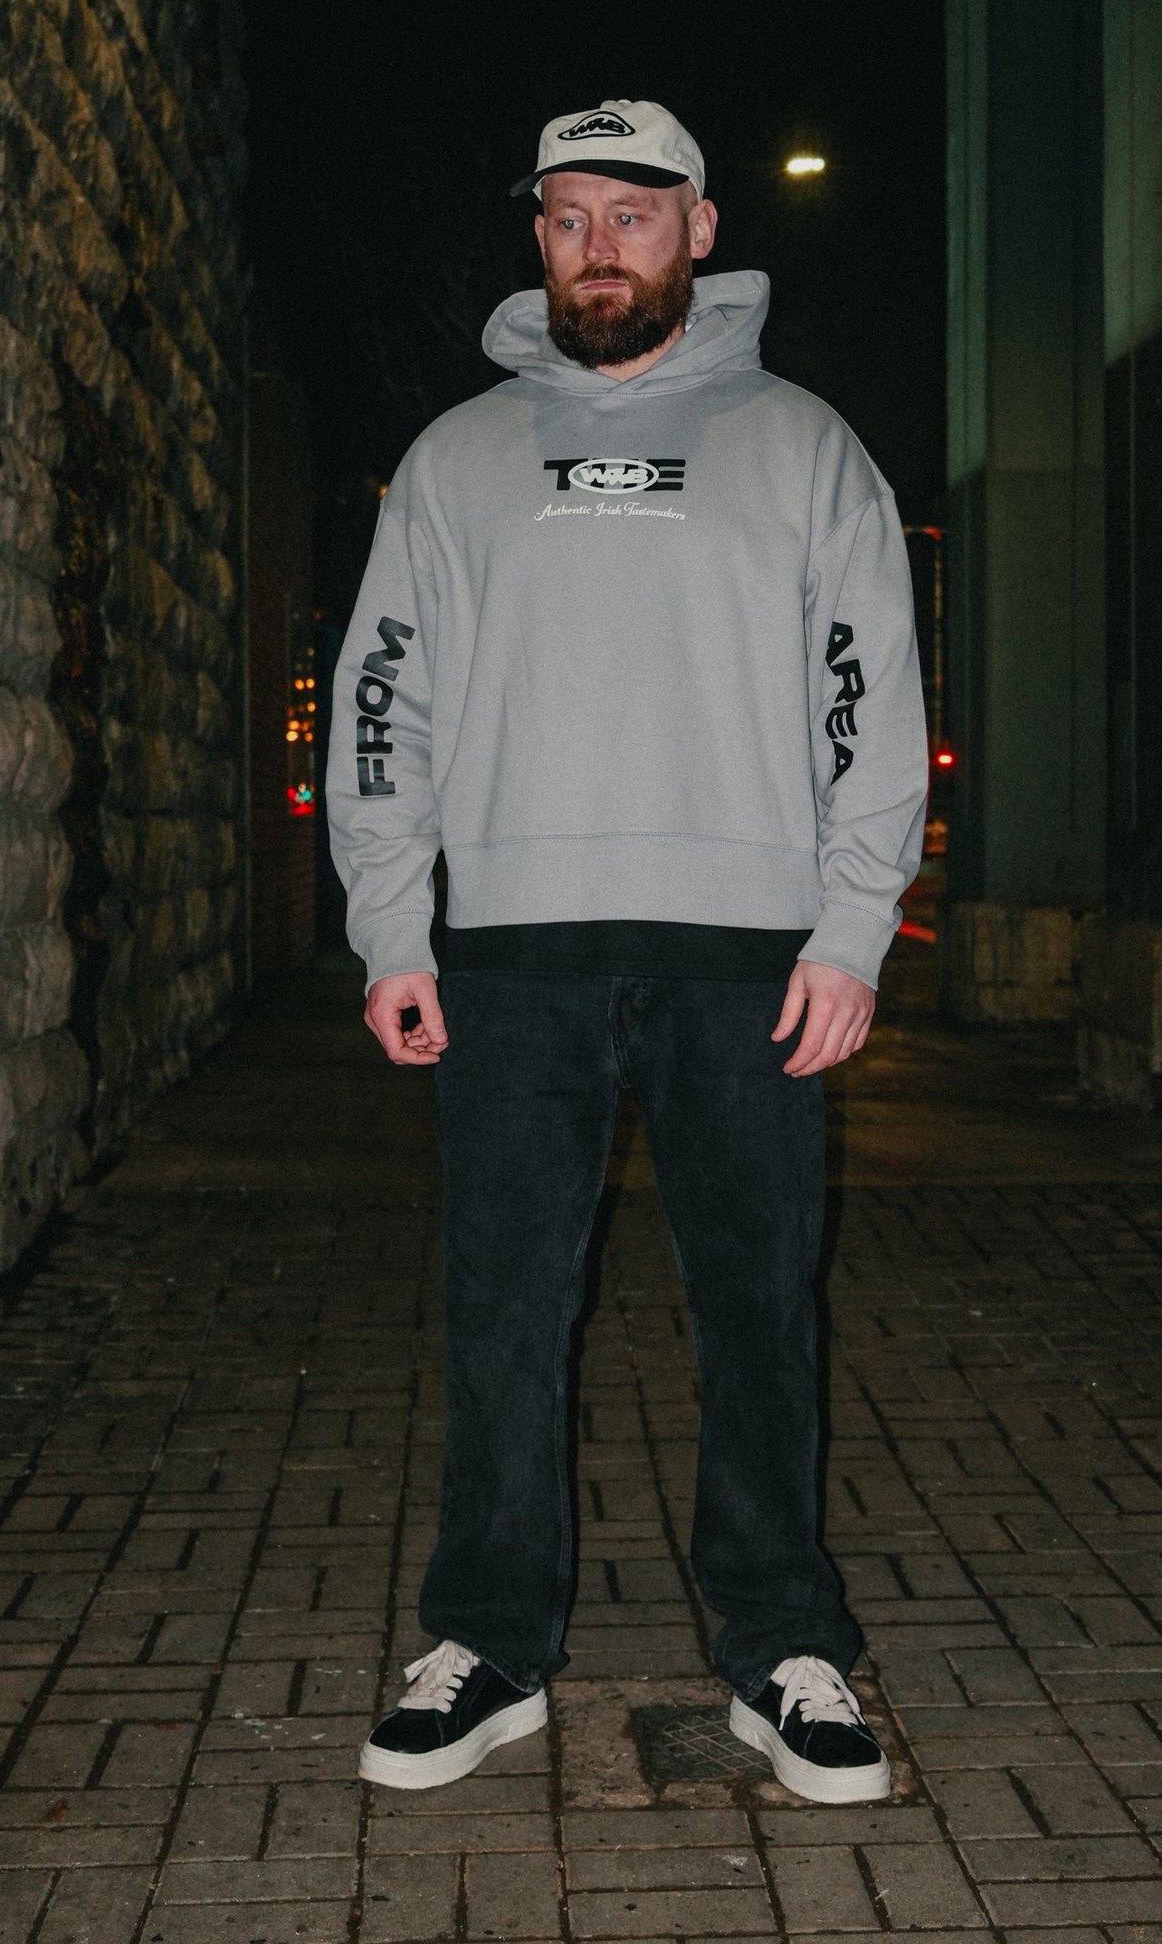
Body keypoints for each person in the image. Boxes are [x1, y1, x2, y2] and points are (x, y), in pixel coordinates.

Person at [326, 99, 927, 1804]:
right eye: (570, 214)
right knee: (504, 1312)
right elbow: (384, 705)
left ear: (701, 229)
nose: (600, 244)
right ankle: (489, 1645)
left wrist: (854, 928)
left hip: (751, 956)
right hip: (512, 955)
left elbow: (870, 698)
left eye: (634, 213)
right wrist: (391, 925)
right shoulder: (455, 461)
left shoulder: (806, 449)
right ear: (540, 235)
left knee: (759, 1312)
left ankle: (785, 1646)